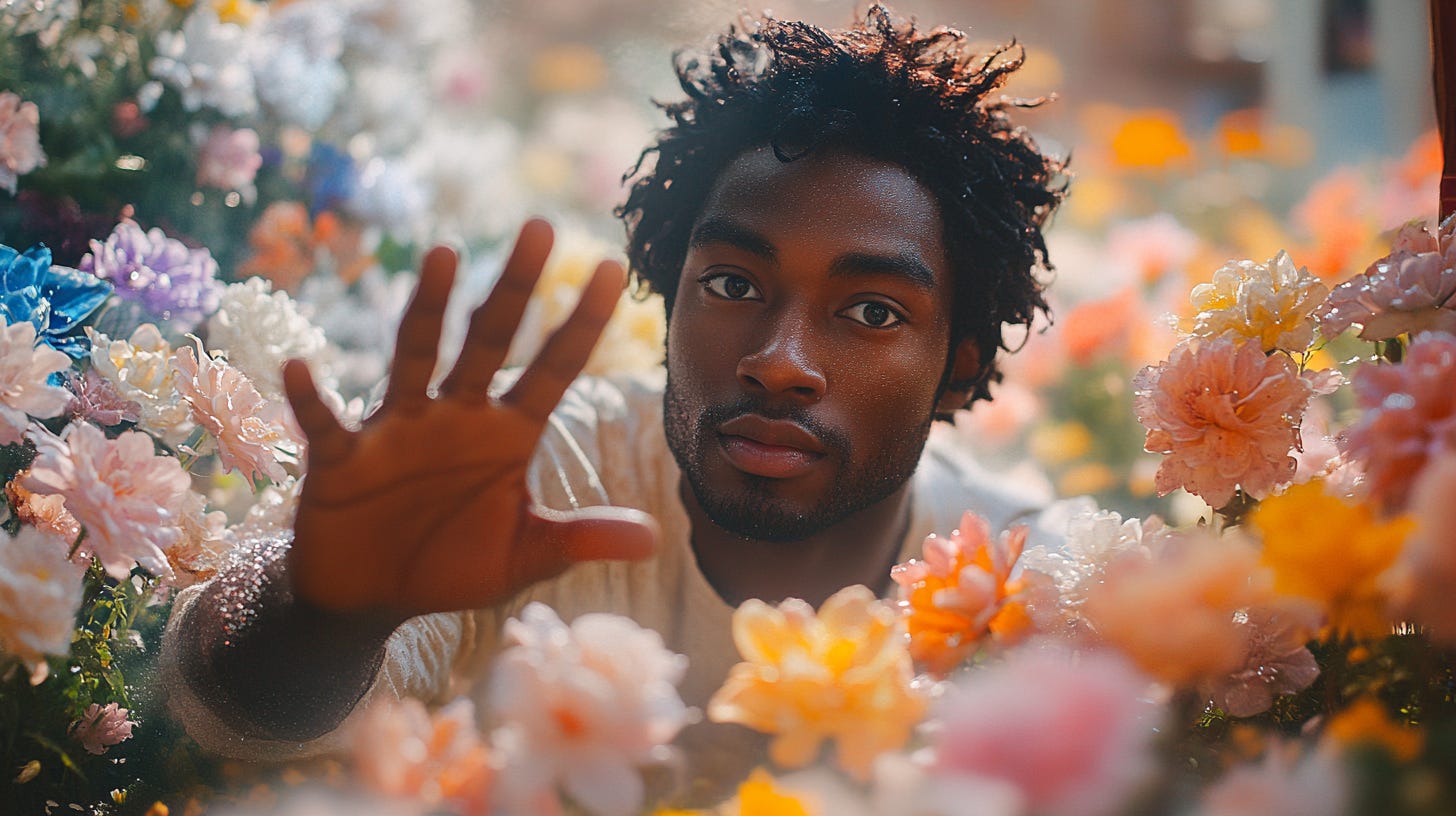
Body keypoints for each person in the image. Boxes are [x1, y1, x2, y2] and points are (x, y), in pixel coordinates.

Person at [160, 3, 1067, 802]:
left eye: (872, 311)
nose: (778, 362)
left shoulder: (1034, 596)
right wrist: (320, 613)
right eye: (732, 285)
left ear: (956, 369)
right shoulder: (540, 472)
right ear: (671, 306)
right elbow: (211, 721)